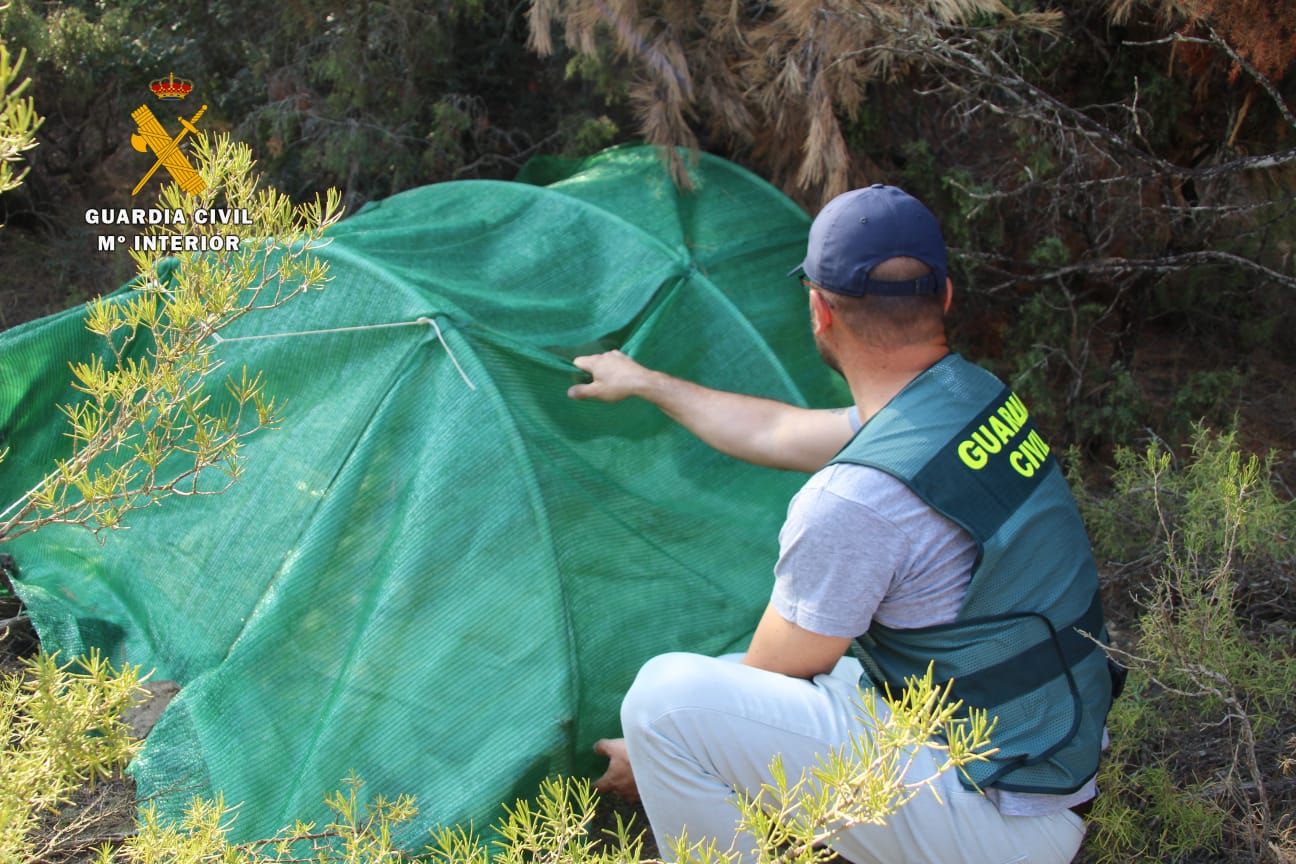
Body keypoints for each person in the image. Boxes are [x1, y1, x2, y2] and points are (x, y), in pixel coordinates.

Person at [566, 184, 1116, 864]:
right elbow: (777, 429)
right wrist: (647, 382)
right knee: (750, 679)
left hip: (1003, 820)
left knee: (663, 705)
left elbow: (772, 678)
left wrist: (652, 759)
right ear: (943, 297)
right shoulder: (969, 399)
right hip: (1049, 753)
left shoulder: (857, 498)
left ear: (819, 311)